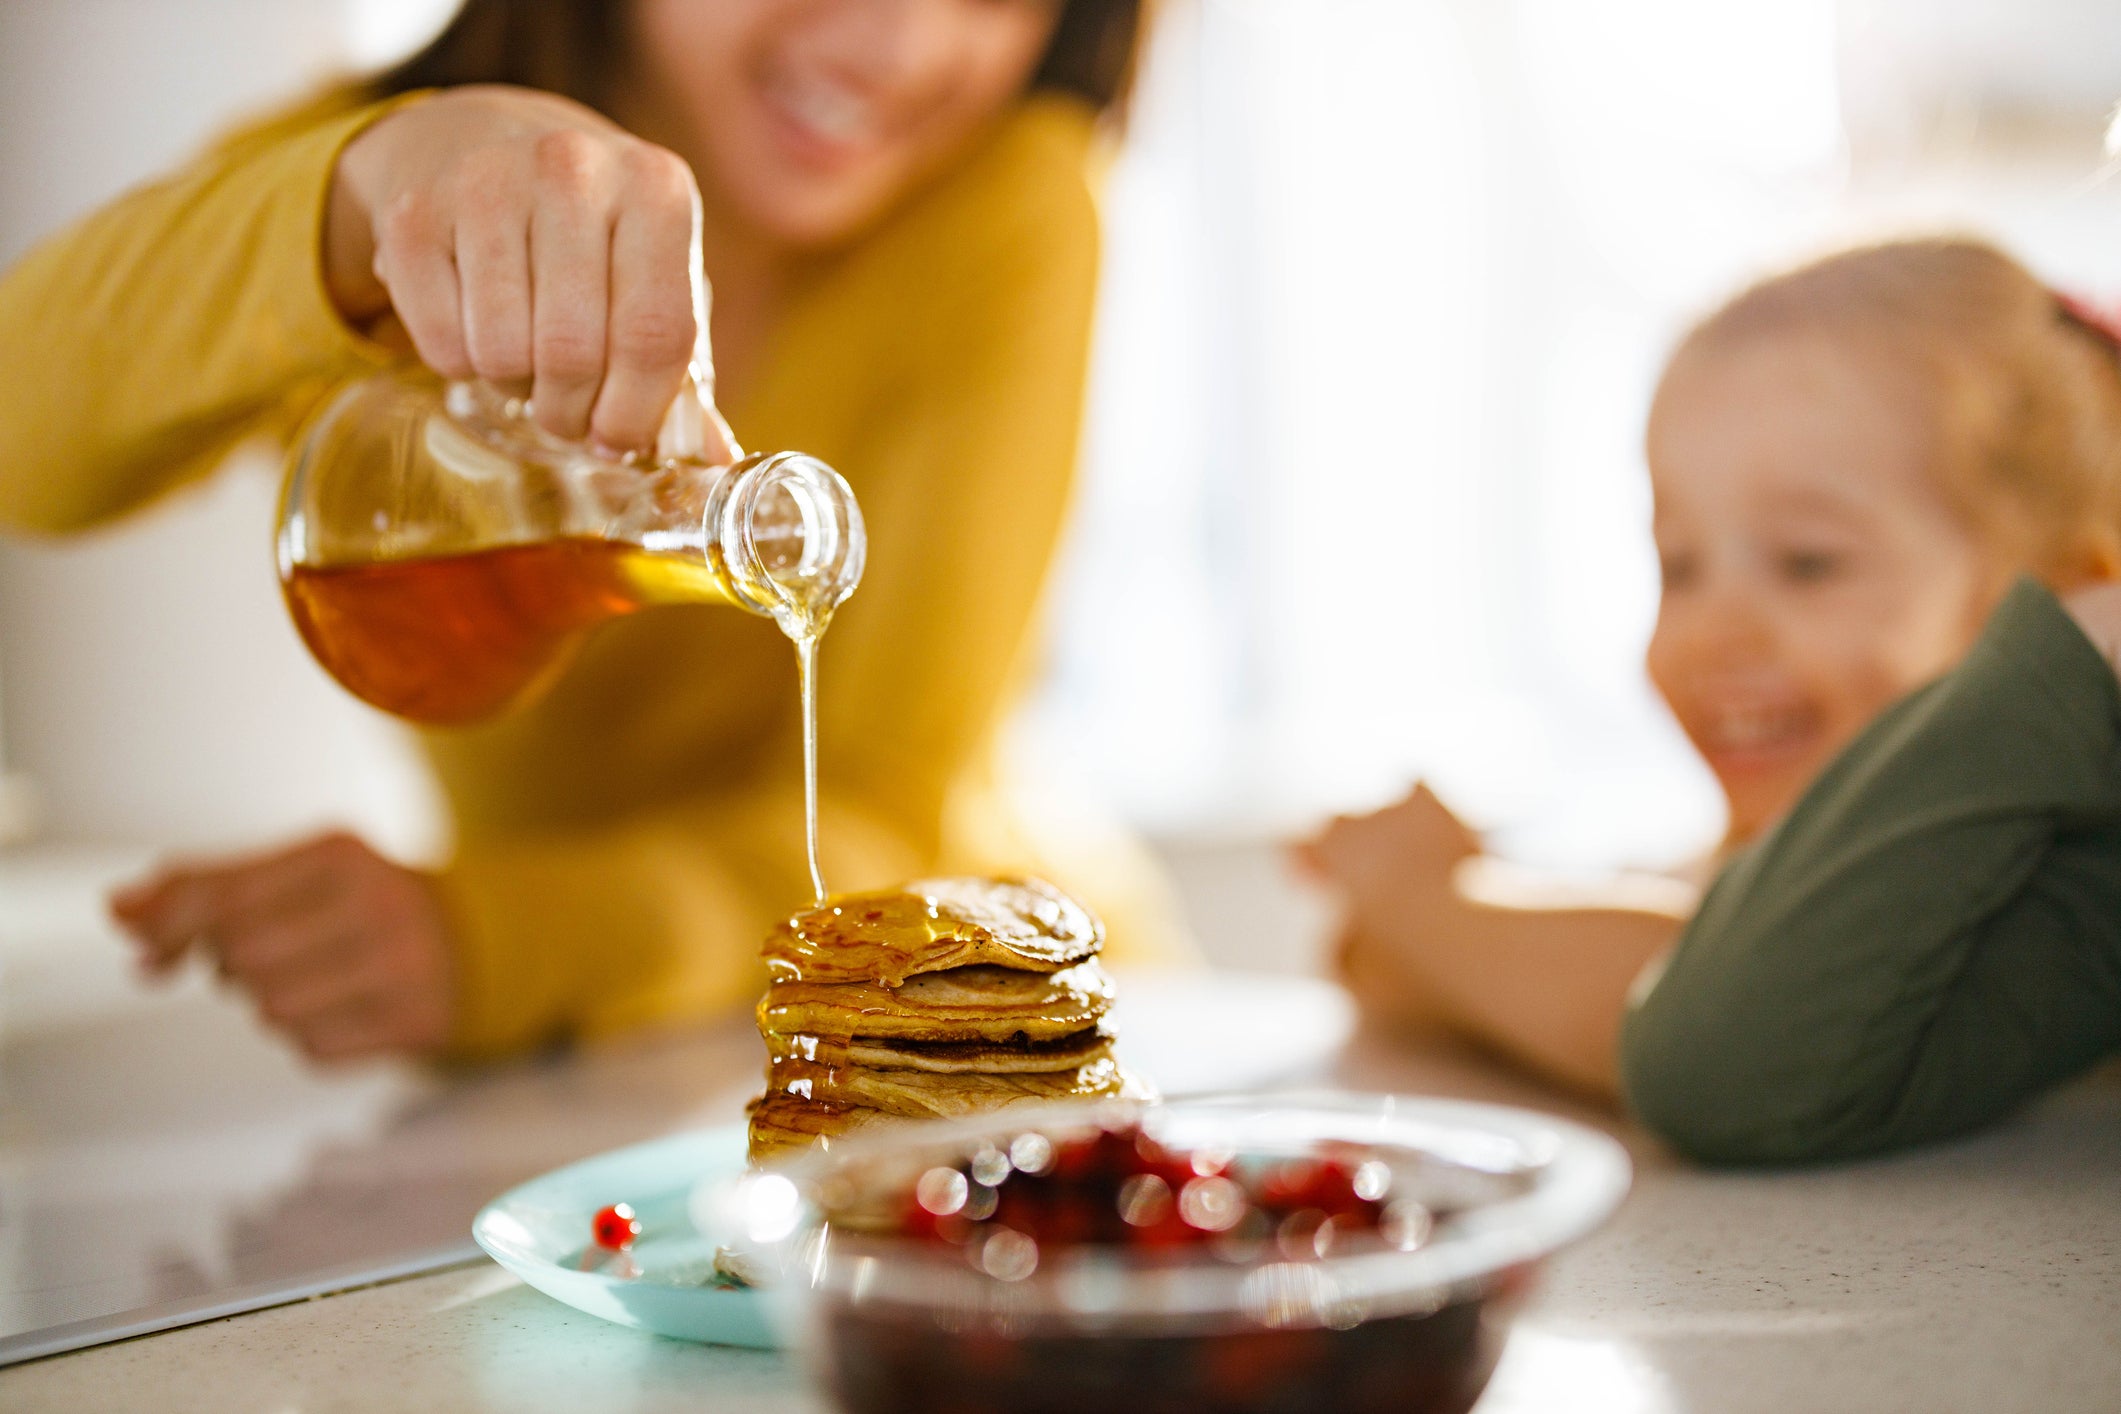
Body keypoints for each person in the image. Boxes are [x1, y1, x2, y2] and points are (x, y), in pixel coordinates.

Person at [0, 0, 1189, 1062]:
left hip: (1013, 1009)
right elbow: (24, 439)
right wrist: (368, 194)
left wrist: (502, 939)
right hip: (569, 1074)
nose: (905, 46)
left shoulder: (1006, 200)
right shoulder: (383, 187)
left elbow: (891, 805)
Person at [1303, 239, 2121, 1130]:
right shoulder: (1739, 852)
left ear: (2071, 610)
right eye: (1678, 565)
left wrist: (1426, 896)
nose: (1709, 633)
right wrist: (1433, 922)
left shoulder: (2059, 881)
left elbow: (1677, 999)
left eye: (1809, 564)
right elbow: (1374, 960)